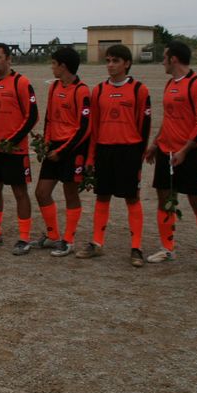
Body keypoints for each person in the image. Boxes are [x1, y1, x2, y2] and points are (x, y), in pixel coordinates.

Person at [142, 41, 197, 271]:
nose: (162, 62)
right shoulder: (170, 84)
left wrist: (184, 150)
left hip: (191, 154)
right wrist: (156, 143)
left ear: (173, 59)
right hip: (166, 151)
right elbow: (168, 119)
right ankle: (167, 248)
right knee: (165, 198)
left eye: (164, 57)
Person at [77, 44, 151, 267]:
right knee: (102, 196)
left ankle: (136, 247)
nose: (110, 65)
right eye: (108, 60)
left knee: (132, 198)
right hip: (104, 150)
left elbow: (144, 126)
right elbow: (94, 127)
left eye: (115, 61)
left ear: (127, 63)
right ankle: (97, 243)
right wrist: (91, 157)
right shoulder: (99, 90)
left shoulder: (139, 90)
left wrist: (139, 156)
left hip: (129, 151)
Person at [0, 43, 39, 254]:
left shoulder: (21, 82)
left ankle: (24, 237)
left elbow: (32, 116)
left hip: (15, 150)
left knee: (20, 192)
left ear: (9, 59)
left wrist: (12, 140)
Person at [33, 46, 90, 258]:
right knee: (41, 192)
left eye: (54, 64)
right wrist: (48, 142)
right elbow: (49, 118)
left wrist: (63, 150)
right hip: (54, 147)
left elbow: (84, 128)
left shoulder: (82, 91)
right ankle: (53, 235)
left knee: (70, 193)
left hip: (72, 149)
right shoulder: (54, 87)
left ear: (63, 66)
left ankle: (68, 240)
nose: (52, 67)